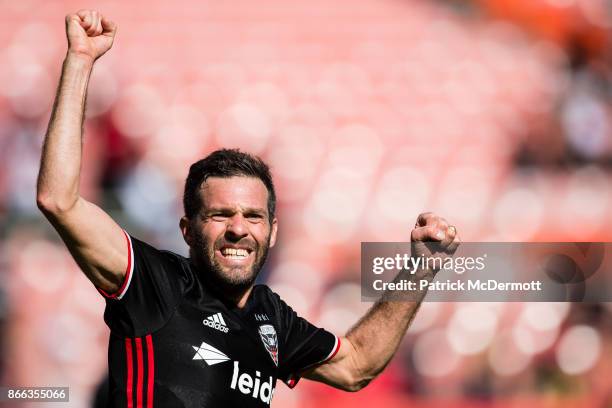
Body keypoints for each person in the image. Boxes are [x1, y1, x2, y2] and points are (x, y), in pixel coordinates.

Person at [37, 10, 460, 407]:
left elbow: (356, 366)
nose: (239, 228)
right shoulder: (155, 283)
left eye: (253, 216)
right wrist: (79, 62)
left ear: (273, 231)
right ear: (187, 228)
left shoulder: (271, 317)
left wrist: (420, 267)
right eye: (220, 215)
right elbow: (59, 200)